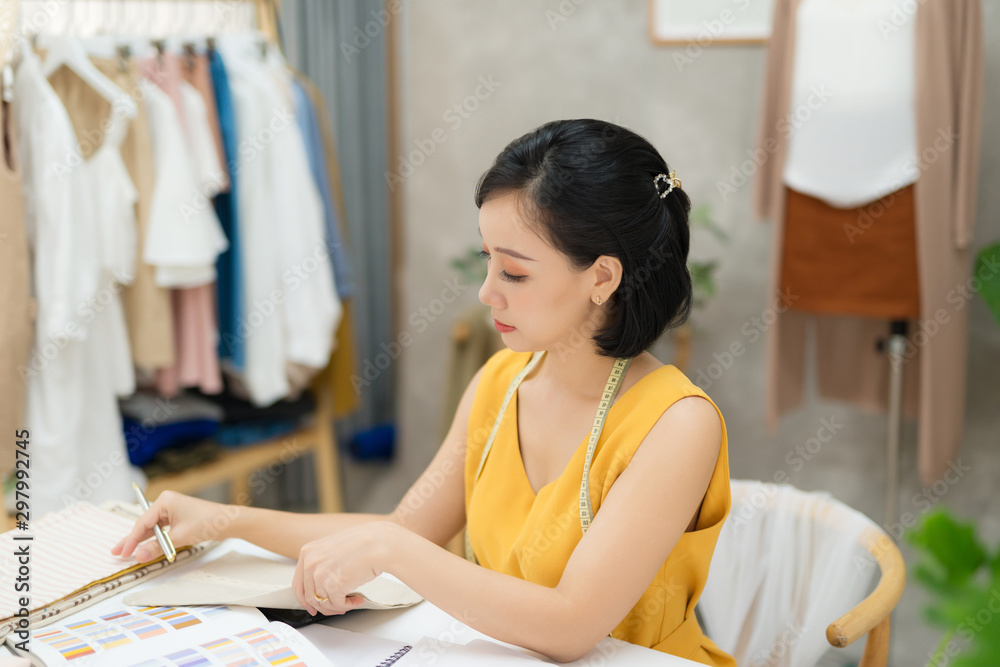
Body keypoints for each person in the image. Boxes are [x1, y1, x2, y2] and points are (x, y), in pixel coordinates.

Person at [113, 119, 734, 666]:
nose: (488, 291)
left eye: (514, 271)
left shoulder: (677, 424)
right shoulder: (502, 383)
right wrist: (223, 519)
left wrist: (393, 550)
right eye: (487, 260)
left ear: (602, 276)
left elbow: (570, 626)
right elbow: (400, 529)